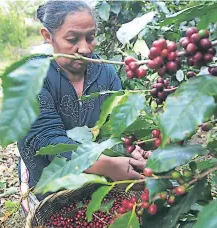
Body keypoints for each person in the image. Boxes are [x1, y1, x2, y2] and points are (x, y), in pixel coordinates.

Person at [18, 0, 150, 214]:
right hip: (47, 182)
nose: (85, 48)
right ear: (47, 36)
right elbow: (49, 141)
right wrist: (108, 165)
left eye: (90, 37)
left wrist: (133, 150)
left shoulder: (105, 73)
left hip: (93, 180)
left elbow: (116, 126)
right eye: (72, 39)